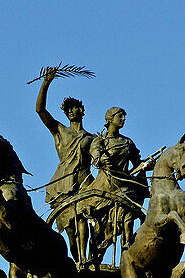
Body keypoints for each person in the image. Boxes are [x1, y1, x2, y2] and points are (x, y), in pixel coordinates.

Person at [36, 68, 93, 265]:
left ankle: (86, 258)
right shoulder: (60, 131)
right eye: (67, 109)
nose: (70, 111)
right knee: (70, 228)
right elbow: (41, 111)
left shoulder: (91, 138)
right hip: (63, 183)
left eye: (74, 107)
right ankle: (78, 260)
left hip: (84, 181)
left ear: (82, 110)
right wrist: (46, 83)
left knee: (83, 218)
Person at [89, 107, 149, 258]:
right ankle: (96, 252)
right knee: (98, 230)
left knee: (128, 216)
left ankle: (126, 248)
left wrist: (148, 165)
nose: (123, 119)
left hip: (125, 187)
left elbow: (137, 163)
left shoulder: (127, 142)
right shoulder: (100, 141)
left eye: (124, 116)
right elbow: (95, 153)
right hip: (105, 186)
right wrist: (99, 158)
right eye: (120, 116)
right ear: (110, 119)